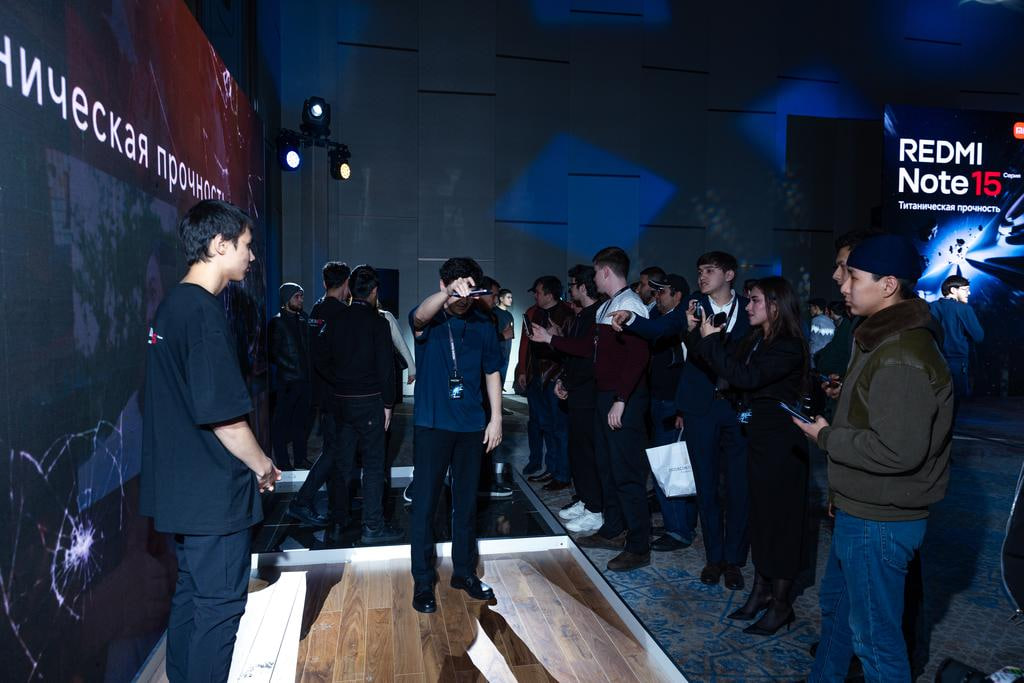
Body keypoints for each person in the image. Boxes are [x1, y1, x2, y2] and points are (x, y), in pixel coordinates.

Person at [796, 233, 952, 682]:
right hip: (861, 507)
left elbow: (897, 451)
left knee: (875, 642)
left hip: (880, 519)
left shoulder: (901, 354)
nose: (843, 286)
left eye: (853, 277)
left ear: (887, 285)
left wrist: (827, 437)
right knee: (839, 615)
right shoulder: (880, 340)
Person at [140, 199, 280, 683]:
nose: (252, 257)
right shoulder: (202, 313)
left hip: (183, 491)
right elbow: (227, 420)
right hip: (211, 495)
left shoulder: (172, 307)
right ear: (219, 245)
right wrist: (263, 466)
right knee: (219, 607)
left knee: (192, 597)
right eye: (246, 246)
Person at [611, 251, 751, 589]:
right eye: (699, 270)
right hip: (700, 408)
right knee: (705, 485)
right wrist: (631, 319)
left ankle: (734, 560)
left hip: (737, 406)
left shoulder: (748, 308)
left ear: (729, 275)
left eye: (710, 270)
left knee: (738, 488)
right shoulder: (692, 306)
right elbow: (658, 328)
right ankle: (714, 558)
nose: (702, 276)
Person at [697, 276, 809, 636]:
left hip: (783, 445)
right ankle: (761, 591)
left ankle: (781, 603)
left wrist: (711, 343)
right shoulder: (757, 339)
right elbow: (728, 369)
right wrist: (703, 336)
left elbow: (746, 377)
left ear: (776, 305)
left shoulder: (789, 346)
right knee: (759, 518)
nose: (748, 307)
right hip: (758, 440)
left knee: (782, 524)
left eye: (755, 300)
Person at [532, 247, 652, 572]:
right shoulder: (608, 307)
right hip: (604, 396)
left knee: (627, 473)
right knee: (607, 467)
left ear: (606, 272)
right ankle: (613, 528)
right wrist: (551, 340)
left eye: (596, 272)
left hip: (621, 398)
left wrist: (621, 399)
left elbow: (638, 357)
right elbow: (589, 348)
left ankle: (639, 546)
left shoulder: (630, 305)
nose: (593, 277)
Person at [407, 257, 503, 614]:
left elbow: (492, 371)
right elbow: (418, 318)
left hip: (471, 426)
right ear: (443, 284)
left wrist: (496, 419)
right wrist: (447, 293)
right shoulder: (431, 318)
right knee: (425, 505)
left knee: (465, 505)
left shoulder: (483, 323)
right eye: (457, 289)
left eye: (469, 290)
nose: (464, 298)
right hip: (432, 425)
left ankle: (464, 572)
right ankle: (422, 580)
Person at [314, 265, 401, 544]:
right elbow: (386, 369)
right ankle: (372, 527)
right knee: (374, 465)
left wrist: (339, 381)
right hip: (369, 402)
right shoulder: (378, 323)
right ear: (374, 291)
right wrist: (388, 404)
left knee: (342, 463)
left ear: (350, 289)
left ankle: (338, 521)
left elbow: (320, 358)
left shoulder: (336, 319)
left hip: (341, 401)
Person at [288, 261, 350, 528]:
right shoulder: (341, 313)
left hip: (321, 392)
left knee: (333, 448)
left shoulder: (316, 310)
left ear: (325, 283)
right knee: (335, 451)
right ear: (347, 283)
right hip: (338, 394)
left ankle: (337, 502)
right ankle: (302, 501)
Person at [644, 273, 699, 552]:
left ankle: (678, 531)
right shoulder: (661, 320)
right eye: (655, 292)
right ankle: (679, 523)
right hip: (660, 400)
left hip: (673, 404)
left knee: (670, 466)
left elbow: (692, 369)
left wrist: (682, 408)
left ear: (677, 295)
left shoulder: (683, 323)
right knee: (671, 465)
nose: (656, 296)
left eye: (662, 292)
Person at [554, 265, 605, 534]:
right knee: (577, 452)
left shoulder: (597, 315)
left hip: (589, 395)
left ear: (583, 287)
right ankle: (586, 500)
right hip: (578, 394)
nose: (570, 290)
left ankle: (595, 509)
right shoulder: (583, 315)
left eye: (572, 285)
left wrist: (551, 339)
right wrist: (563, 379)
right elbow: (573, 357)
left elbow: (588, 358)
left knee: (587, 454)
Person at [515, 275, 573, 489]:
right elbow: (527, 345)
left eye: (538, 292)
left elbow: (571, 350)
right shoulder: (535, 312)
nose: (535, 296)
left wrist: (555, 339)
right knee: (545, 426)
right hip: (536, 378)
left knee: (560, 428)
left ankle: (562, 474)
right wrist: (524, 370)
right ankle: (552, 469)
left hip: (555, 378)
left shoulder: (567, 314)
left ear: (549, 294)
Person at [269, 282, 313, 470]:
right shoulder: (277, 322)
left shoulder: (303, 319)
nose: (301, 300)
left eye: (301, 296)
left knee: (301, 423)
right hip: (287, 382)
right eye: (297, 296)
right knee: (281, 424)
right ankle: (283, 462)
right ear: (287, 299)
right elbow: (272, 353)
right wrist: (291, 369)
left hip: (304, 381)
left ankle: (300, 459)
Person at [930, 274, 984, 417]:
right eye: (965, 290)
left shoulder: (932, 307)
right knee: (953, 401)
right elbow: (979, 336)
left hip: (934, 361)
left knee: (936, 399)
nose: (969, 293)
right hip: (957, 362)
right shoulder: (964, 309)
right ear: (953, 290)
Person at [495, 288, 515, 393]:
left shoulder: (509, 315)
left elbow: (510, 334)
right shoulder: (494, 313)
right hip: (496, 351)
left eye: (511, 297)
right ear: (501, 298)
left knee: (502, 376)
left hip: (506, 352)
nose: (511, 299)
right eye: (508, 297)